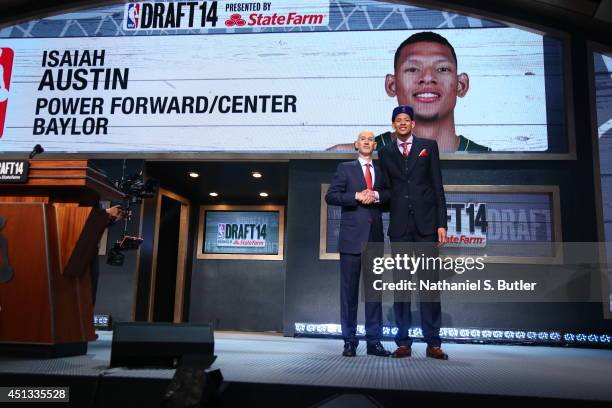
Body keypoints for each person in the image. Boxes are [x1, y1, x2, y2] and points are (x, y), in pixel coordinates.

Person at [327, 31, 490, 153]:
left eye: (442, 68)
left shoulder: (491, 161)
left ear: (461, 84)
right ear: (392, 85)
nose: (427, 77)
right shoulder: (346, 159)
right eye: (412, 69)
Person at [378, 105, 449, 360]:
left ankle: (433, 343)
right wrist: (374, 196)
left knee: (429, 286)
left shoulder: (428, 147)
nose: (403, 123)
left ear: (413, 124)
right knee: (402, 287)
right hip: (399, 228)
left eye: (407, 120)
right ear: (393, 124)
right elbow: (386, 188)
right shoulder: (385, 152)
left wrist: (442, 223)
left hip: (427, 226)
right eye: (398, 120)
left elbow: (437, 186)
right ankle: (403, 343)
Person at [325, 130, 391, 357]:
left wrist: (377, 196)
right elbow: (331, 196)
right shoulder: (345, 168)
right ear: (356, 144)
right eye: (363, 139)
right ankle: (349, 341)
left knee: (374, 294)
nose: (367, 141)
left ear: (374, 145)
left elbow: (390, 196)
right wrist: (356, 196)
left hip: (374, 239)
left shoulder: (382, 169)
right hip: (351, 240)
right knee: (349, 293)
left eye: (371, 139)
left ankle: (374, 342)